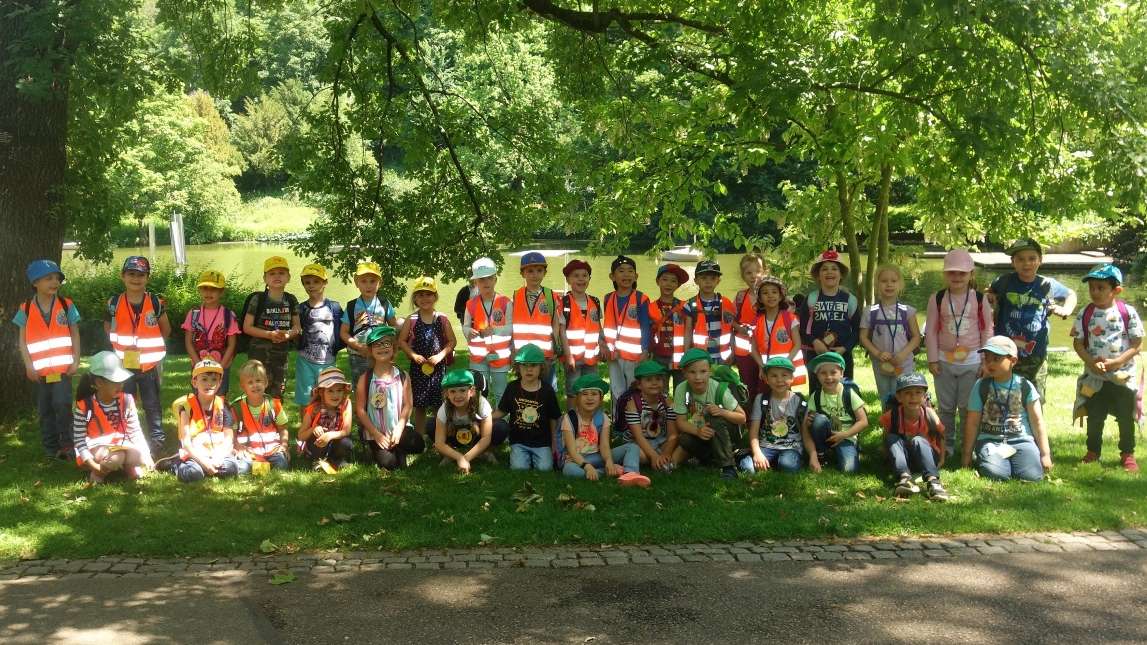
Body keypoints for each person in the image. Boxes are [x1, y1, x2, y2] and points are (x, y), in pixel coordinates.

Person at [1071, 264, 1143, 472]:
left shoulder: (1127, 312)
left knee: (1125, 416)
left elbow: (1137, 343)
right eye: (1092, 287)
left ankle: (1127, 454)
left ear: (1116, 290)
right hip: (1095, 378)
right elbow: (1078, 343)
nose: (1095, 292)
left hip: (1122, 377)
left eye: (1100, 287)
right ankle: (1093, 451)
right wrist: (1090, 362)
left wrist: (1118, 361)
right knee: (1095, 416)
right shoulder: (1085, 313)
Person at [987, 238, 1077, 398]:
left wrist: (1066, 309)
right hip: (1004, 353)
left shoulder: (1047, 284)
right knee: (1002, 396)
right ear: (1012, 262)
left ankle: (1034, 423)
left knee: (1034, 398)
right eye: (1020, 259)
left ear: (1040, 260)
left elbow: (1071, 294)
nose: (1026, 263)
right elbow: (990, 291)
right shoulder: (1004, 281)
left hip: (1036, 355)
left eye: (1032, 258)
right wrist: (990, 296)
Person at [925, 249, 994, 457]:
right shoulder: (937, 298)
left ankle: (968, 444)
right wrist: (932, 358)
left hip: (973, 361)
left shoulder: (980, 299)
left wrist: (985, 361)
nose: (956, 277)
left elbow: (987, 329)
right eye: (952, 273)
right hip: (944, 361)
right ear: (945, 274)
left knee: (967, 408)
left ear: (971, 274)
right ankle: (946, 445)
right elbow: (930, 330)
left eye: (962, 273)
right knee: (946, 408)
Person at [14, 259, 81, 460]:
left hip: (62, 369)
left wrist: (76, 360)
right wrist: (28, 365)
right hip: (39, 372)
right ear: (35, 283)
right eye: (48, 278)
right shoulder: (25, 308)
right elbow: (22, 342)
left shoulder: (66, 304)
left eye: (57, 278)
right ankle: (51, 447)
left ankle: (68, 445)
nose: (55, 282)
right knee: (45, 409)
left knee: (62, 405)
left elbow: (75, 334)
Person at [961, 337, 1053, 481]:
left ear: (1013, 361)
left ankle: (1019, 462)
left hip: (1022, 441)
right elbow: (972, 423)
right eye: (987, 358)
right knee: (996, 474)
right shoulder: (981, 386)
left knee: (1032, 477)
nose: (990, 363)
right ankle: (988, 461)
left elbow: (1037, 422)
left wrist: (1045, 455)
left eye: (996, 359)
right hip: (990, 441)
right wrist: (966, 456)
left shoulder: (1025, 386)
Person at [105, 255, 170, 453]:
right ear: (122, 276)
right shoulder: (114, 303)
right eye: (131, 274)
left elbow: (165, 329)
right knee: (125, 401)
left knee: (152, 404)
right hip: (124, 364)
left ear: (147, 278)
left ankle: (157, 440)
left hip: (149, 364)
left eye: (141, 274)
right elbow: (108, 327)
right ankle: (127, 436)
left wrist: (153, 349)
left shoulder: (156, 302)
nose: (136, 278)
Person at [72, 351, 153, 484]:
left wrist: (147, 455)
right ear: (99, 383)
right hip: (97, 447)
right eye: (114, 381)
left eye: (121, 381)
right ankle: (99, 473)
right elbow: (79, 440)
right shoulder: (85, 405)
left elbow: (135, 431)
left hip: (122, 445)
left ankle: (127, 466)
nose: (120, 385)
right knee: (117, 457)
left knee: (139, 457)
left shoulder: (127, 400)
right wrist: (92, 464)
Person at [158, 359, 241, 483]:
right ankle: (176, 465)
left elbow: (229, 438)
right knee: (193, 474)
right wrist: (204, 463)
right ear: (194, 382)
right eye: (204, 379)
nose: (209, 384)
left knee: (231, 468)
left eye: (214, 380)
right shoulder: (186, 407)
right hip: (195, 454)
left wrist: (219, 457)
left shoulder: (223, 406)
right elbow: (186, 442)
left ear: (219, 383)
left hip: (217, 453)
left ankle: (210, 469)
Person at [355, 326, 426, 471]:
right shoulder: (366, 378)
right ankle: (378, 450)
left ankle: (399, 447)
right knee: (389, 464)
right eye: (377, 345)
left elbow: (408, 405)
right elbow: (360, 410)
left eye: (386, 343)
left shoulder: (402, 376)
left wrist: (400, 427)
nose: (382, 348)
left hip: (398, 428)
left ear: (394, 348)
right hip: (377, 432)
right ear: (371, 351)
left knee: (418, 444)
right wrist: (376, 434)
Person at [559, 374, 650, 486]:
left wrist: (609, 461)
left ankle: (630, 473)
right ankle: (605, 472)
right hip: (576, 460)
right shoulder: (569, 419)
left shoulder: (603, 418)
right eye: (585, 394)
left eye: (594, 394)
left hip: (597, 456)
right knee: (569, 470)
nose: (589, 398)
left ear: (601, 398)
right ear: (577, 398)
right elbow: (572, 451)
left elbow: (605, 446)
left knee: (632, 447)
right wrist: (587, 467)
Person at [671, 348, 748, 479]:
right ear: (684, 373)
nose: (698, 377)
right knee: (684, 439)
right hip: (704, 432)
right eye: (692, 372)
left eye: (703, 371)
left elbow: (742, 418)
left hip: (726, 433)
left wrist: (722, 412)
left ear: (710, 371)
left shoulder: (718, 388)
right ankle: (711, 460)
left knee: (714, 417)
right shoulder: (681, 389)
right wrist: (697, 431)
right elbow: (681, 422)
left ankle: (728, 467)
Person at [398, 277, 456, 440]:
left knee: (440, 404)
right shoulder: (412, 319)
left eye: (429, 294)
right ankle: (419, 437)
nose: (425, 298)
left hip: (438, 369)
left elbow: (452, 341)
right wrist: (414, 355)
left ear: (435, 296)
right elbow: (401, 341)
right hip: (418, 368)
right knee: (420, 405)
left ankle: (441, 436)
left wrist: (440, 356)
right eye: (420, 295)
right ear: (415, 298)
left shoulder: (442, 318)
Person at [879, 373, 949, 501]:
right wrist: (886, 455)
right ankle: (905, 478)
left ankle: (933, 482)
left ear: (924, 397)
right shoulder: (892, 415)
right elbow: (886, 436)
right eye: (908, 393)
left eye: (918, 393)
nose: (913, 397)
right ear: (899, 397)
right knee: (892, 438)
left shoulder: (929, 414)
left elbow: (941, 435)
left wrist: (942, 459)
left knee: (918, 439)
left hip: (926, 456)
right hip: (904, 460)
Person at [799, 250, 860, 392]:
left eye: (834, 269)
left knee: (844, 391)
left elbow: (857, 330)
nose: (829, 272)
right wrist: (815, 342)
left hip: (842, 354)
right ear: (818, 275)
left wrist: (845, 348)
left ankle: (845, 413)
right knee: (817, 391)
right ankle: (817, 413)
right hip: (816, 354)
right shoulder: (811, 299)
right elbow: (803, 329)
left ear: (841, 274)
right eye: (824, 269)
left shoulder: (850, 300)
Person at [241, 256, 300, 400]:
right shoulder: (258, 299)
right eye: (272, 273)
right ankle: (255, 421)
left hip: (280, 356)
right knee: (257, 392)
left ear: (288, 277)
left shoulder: (291, 300)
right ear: (265, 278)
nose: (277, 276)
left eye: (281, 273)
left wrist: (288, 335)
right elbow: (247, 327)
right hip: (258, 356)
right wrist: (269, 334)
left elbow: (297, 327)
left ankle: (276, 421)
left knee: (278, 393)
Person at [494, 344, 561, 471]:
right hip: (519, 441)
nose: (528, 370)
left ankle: (535, 457)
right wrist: (484, 418)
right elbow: (502, 411)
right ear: (518, 367)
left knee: (545, 468)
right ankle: (521, 457)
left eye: (533, 365)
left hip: (542, 442)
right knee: (519, 468)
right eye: (524, 365)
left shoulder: (547, 390)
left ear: (541, 367)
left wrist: (554, 442)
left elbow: (553, 417)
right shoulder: (512, 387)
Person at [739, 357, 811, 475]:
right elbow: (753, 431)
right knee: (748, 469)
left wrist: (812, 456)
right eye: (774, 376)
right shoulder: (761, 399)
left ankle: (780, 461)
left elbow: (805, 432)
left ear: (792, 378)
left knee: (787, 465)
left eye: (784, 375)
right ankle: (757, 458)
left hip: (791, 447)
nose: (779, 380)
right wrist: (757, 453)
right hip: (766, 446)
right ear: (766, 379)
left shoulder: (799, 401)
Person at [859, 264, 921, 399]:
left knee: (905, 395)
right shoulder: (870, 311)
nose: (889, 285)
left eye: (893, 281)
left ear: (900, 284)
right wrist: (878, 353)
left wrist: (903, 355)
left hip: (904, 363)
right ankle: (888, 419)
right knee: (886, 397)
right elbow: (863, 337)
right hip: (881, 363)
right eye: (884, 281)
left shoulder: (907, 311)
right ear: (877, 284)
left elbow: (916, 337)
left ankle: (903, 420)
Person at [803, 352, 867, 474]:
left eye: (833, 372)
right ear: (817, 375)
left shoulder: (849, 394)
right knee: (817, 420)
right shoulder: (815, 396)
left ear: (842, 373)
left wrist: (844, 434)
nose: (828, 377)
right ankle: (821, 453)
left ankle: (845, 451)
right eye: (823, 373)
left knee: (850, 470)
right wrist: (812, 455)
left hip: (846, 436)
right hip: (826, 434)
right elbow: (805, 428)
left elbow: (863, 421)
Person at [602, 255, 655, 401]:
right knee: (616, 388)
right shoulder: (608, 298)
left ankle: (635, 418)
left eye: (630, 271)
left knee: (635, 387)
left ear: (636, 276)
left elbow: (645, 326)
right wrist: (604, 345)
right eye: (621, 271)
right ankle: (618, 418)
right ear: (612, 276)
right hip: (614, 354)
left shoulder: (641, 298)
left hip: (634, 354)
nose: (626, 274)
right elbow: (607, 325)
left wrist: (645, 350)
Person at [433, 369, 508, 473]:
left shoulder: (481, 403)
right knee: (431, 425)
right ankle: (451, 454)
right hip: (454, 436)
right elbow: (439, 443)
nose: (458, 395)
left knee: (500, 427)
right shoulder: (444, 408)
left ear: (471, 391)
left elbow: (486, 438)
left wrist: (466, 458)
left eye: (462, 390)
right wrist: (459, 458)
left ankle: (485, 452)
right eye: (453, 391)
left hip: (477, 436)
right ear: (447, 394)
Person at [463, 257, 513, 406]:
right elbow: (465, 326)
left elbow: (511, 327)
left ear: (495, 280)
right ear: (475, 282)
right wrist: (468, 331)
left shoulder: (505, 302)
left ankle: (501, 424)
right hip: (478, 357)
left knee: (500, 392)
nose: (486, 282)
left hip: (500, 356)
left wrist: (495, 331)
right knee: (479, 392)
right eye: (481, 279)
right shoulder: (471, 304)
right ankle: (481, 422)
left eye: (489, 278)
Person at [181, 269, 239, 397]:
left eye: (213, 289)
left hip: (221, 364)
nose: (208, 292)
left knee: (219, 398)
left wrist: (221, 366)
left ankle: (219, 417)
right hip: (198, 364)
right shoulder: (193, 314)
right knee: (199, 397)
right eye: (204, 288)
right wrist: (197, 363)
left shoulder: (228, 315)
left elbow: (231, 345)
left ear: (221, 291)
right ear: (199, 290)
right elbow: (188, 341)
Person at [341, 260, 399, 387]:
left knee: (381, 385)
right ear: (357, 283)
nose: (368, 285)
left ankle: (380, 407)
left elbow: (393, 326)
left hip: (381, 354)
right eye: (363, 281)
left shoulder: (384, 303)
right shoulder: (352, 306)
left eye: (373, 281)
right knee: (361, 386)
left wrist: (392, 346)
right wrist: (357, 346)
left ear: (379, 283)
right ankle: (362, 407)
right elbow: (343, 332)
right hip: (359, 355)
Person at [511, 252, 561, 390]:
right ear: (523, 273)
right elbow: (512, 325)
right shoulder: (516, 296)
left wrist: (556, 344)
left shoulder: (551, 296)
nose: (535, 275)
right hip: (523, 355)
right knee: (524, 389)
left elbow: (556, 322)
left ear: (545, 273)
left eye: (539, 270)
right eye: (530, 271)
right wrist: (513, 351)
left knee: (547, 389)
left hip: (545, 354)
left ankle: (548, 412)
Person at [295, 263, 343, 407]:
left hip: (328, 361)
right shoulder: (300, 308)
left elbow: (342, 331)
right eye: (307, 282)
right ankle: (305, 428)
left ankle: (326, 426)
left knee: (327, 398)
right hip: (305, 360)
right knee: (306, 399)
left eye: (316, 281)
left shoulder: (334, 307)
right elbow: (296, 331)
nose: (311, 286)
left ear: (325, 282)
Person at [557, 259, 603, 408]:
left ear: (589, 279)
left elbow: (598, 327)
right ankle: (572, 419)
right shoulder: (564, 303)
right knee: (573, 389)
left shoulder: (595, 301)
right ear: (568, 279)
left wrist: (603, 346)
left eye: (585, 275)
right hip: (573, 358)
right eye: (576, 275)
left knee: (591, 387)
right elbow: (562, 332)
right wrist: (568, 355)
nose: (581, 279)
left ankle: (590, 420)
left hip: (591, 356)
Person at [617, 360, 678, 472]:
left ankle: (662, 460)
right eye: (649, 380)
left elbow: (672, 434)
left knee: (678, 444)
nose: (654, 383)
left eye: (658, 379)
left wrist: (666, 453)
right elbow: (638, 436)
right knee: (641, 456)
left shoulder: (667, 402)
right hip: (637, 442)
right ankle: (654, 460)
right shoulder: (633, 404)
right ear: (639, 385)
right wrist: (654, 456)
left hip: (660, 440)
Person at [232, 360, 290, 474]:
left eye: (258, 381)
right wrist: (238, 446)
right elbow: (231, 434)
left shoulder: (274, 404)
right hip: (248, 450)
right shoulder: (237, 407)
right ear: (243, 387)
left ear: (266, 383)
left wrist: (284, 445)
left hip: (272, 449)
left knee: (282, 465)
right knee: (242, 469)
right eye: (250, 382)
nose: (255, 385)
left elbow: (283, 429)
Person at [749, 276, 806, 391]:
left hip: (786, 371)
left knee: (787, 400)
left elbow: (797, 344)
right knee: (768, 399)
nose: (770, 295)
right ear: (759, 298)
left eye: (774, 292)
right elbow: (753, 349)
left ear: (780, 296)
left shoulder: (789, 318)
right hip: (768, 371)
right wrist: (761, 366)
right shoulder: (756, 322)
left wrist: (786, 363)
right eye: (765, 293)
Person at [678, 259, 736, 366]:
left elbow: (731, 329)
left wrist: (733, 352)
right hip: (700, 357)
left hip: (723, 357)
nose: (708, 282)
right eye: (704, 278)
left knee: (721, 382)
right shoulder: (690, 305)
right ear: (696, 280)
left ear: (718, 281)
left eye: (713, 278)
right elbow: (688, 332)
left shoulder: (726, 303)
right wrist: (687, 354)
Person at [298, 367, 356, 472]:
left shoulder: (346, 404)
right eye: (330, 391)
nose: (335, 395)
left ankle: (337, 459)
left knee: (346, 442)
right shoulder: (313, 409)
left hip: (336, 441)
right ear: (321, 392)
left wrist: (330, 435)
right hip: (318, 445)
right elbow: (301, 435)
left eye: (339, 390)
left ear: (344, 391)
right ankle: (317, 460)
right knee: (315, 440)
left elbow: (346, 430)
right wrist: (313, 428)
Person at [731, 253, 768, 399]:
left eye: (758, 271)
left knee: (766, 386)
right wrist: (739, 327)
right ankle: (748, 417)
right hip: (744, 352)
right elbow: (731, 320)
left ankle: (766, 419)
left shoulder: (771, 294)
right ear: (743, 276)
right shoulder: (740, 297)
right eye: (748, 273)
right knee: (747, 387)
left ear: (764, 272)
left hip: (765, 351)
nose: (754, 276)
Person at [650, 263, 688, 384]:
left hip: (680, 356)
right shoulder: (651, 307)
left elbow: (689, 330)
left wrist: (688, 353)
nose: (668, 284)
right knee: (660, 391)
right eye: (665, 279)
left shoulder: (684, 306)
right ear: (657, 281)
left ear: (678, 284)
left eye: (673, 281)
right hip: (659, 356)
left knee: (682, 391)